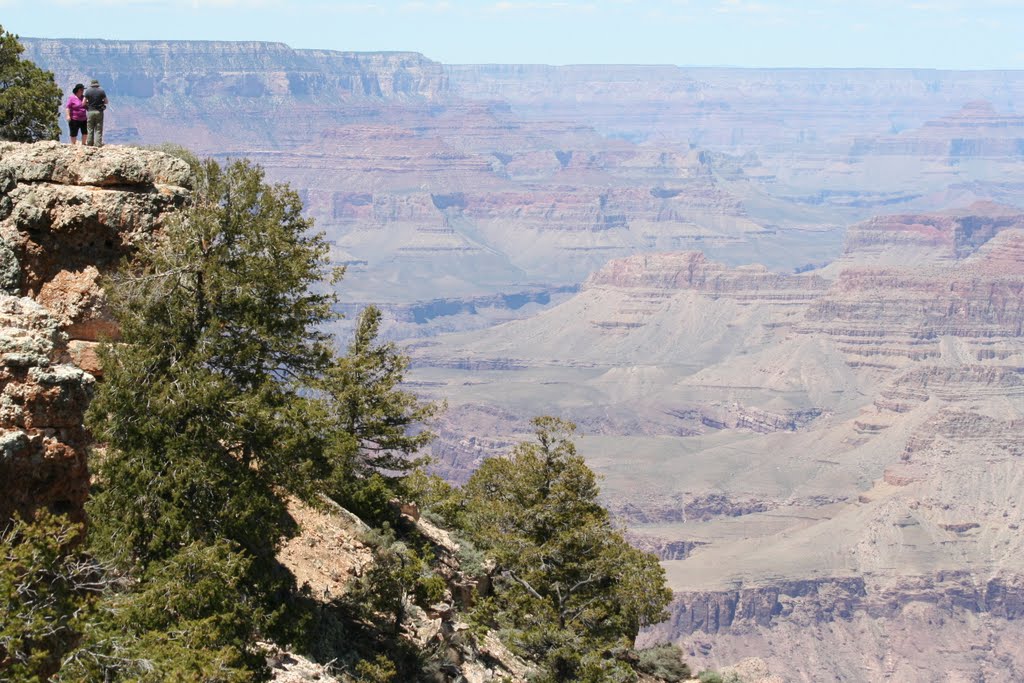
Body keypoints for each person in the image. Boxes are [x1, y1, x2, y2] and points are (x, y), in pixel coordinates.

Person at [83, 78, 109, 147]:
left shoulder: (88, 91)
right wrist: (101, 102)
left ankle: (89, 143)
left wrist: (89, 103)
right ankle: (97, 144)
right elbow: (106, 102)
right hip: (99, 112)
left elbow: (83, 103)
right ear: (97, 85)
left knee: (90, 128)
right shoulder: (101, 91)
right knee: (98, 128)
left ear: (91, 84)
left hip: (90, 111)